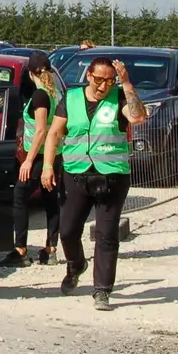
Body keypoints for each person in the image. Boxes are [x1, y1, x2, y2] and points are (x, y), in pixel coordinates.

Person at [44, 56, 147, 311]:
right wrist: (47, 166)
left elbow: (138, 118)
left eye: (109, 81)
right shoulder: (71, 99)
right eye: (99, 80)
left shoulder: (119, 97)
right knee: (67, 231)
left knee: (106, 235)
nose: (104, 86)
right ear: (88, 76)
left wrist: (126, 84)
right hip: (76, 174)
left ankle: (102, 290)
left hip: (112, 175)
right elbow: (55, 133)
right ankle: (76, 264)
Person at [0, 51, 62, 268]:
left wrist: (28, 160)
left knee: (20, 195)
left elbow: (41, 130)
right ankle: (50, 248)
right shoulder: (54, 94)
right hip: (55, 155)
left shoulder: (40, 95)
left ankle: (20, 249)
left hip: (39, 157)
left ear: (30, 72)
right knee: (50, 199)